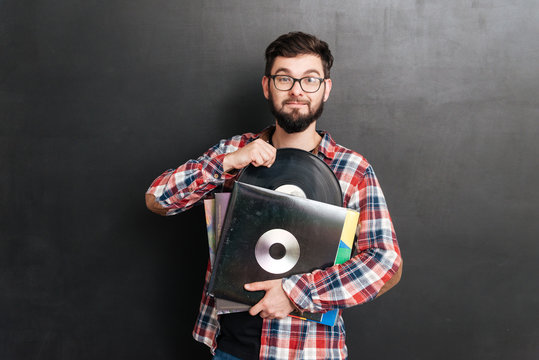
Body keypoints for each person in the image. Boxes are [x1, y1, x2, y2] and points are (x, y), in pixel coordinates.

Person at [145, 31, 402, 360]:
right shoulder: (234, 151)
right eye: (285, 79)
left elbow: (385, 264)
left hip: (307, 352)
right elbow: (157, 200)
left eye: (309, 79)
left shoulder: (353, 169)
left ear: (326, 88)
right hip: (229, 349)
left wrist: (296, 293)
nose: (297, 91)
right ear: (267, 86)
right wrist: (223, 164)